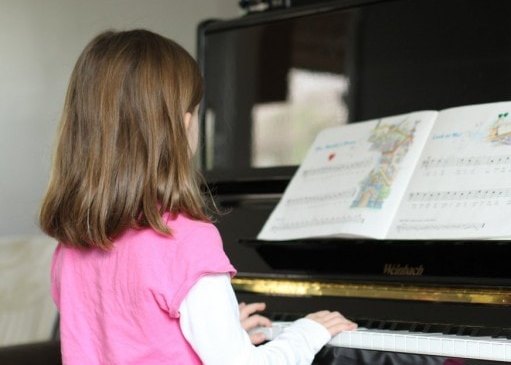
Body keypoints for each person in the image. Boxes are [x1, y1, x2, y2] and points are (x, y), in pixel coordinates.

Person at [39, 29, 357, 365]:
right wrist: (307, 332)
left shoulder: (69, 249)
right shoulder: (185, 240)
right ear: (184, 124)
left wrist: (224, 332)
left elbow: (130, 338)